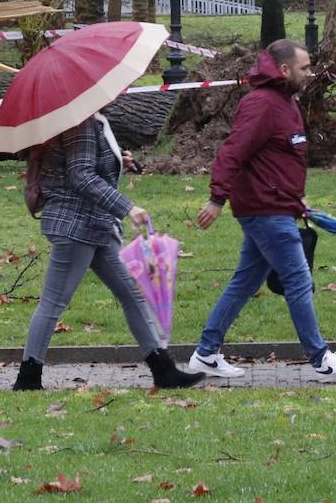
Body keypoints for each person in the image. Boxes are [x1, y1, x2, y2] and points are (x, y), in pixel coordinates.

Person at [187, 39, 336, 379]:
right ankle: (321, 358)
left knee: (244, 282)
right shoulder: (262, 105)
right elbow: (233, 151)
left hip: (275, 205)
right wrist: (216, 198)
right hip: (264, 210)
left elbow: (279, 160)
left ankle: (205, 354)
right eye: (304, 68)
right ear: (284, 70)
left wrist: (297, 201)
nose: (310, 73)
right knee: (298, 279)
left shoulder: (285, 103)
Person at [14, 112, 205, 391]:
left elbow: (87, 165)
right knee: (53, 302)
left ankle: (164, 371)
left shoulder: (90, 119)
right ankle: (27, 379)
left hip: (96, 225)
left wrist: (117, 162)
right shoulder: (80, 122)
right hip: (75, 225)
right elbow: (81, 176)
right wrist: (127, 207)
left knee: (132, 293)